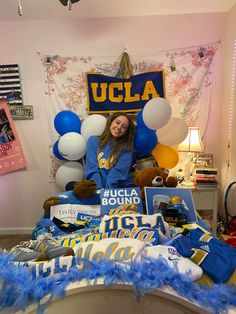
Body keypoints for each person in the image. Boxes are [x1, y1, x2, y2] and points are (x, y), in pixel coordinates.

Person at [84, 112, 135, 189]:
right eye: (117, 122)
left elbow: (119, 172)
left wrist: (107, 193)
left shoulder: (126, 148)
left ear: (126, 132)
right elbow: (91, 168)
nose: (119, 127)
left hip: (115, 191)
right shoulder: (93, 141)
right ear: (111, 122)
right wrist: (98, 188)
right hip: (94, 189)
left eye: (124, 127)